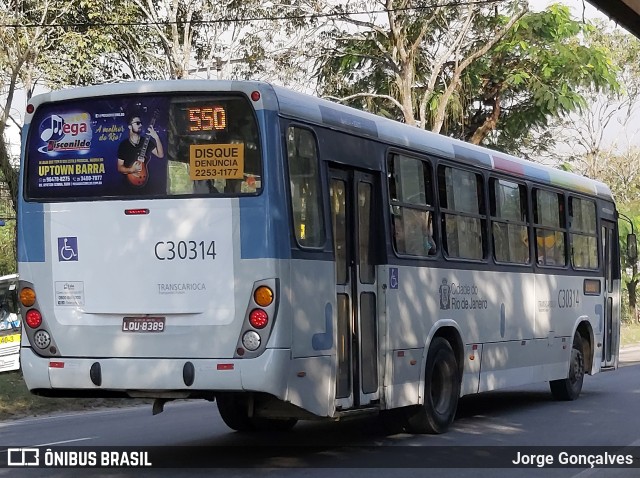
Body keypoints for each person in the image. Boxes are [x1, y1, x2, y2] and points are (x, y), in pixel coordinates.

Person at [117, 112, 164, 182]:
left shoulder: (146, 141)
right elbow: (119, 167)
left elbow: (160, 155)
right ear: (130, 126)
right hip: (128, 183)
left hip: (145, 181)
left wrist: (156, 137)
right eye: (137, 123)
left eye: (141, 123)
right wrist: (131, 170)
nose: (141, 125)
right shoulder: (123, 145)